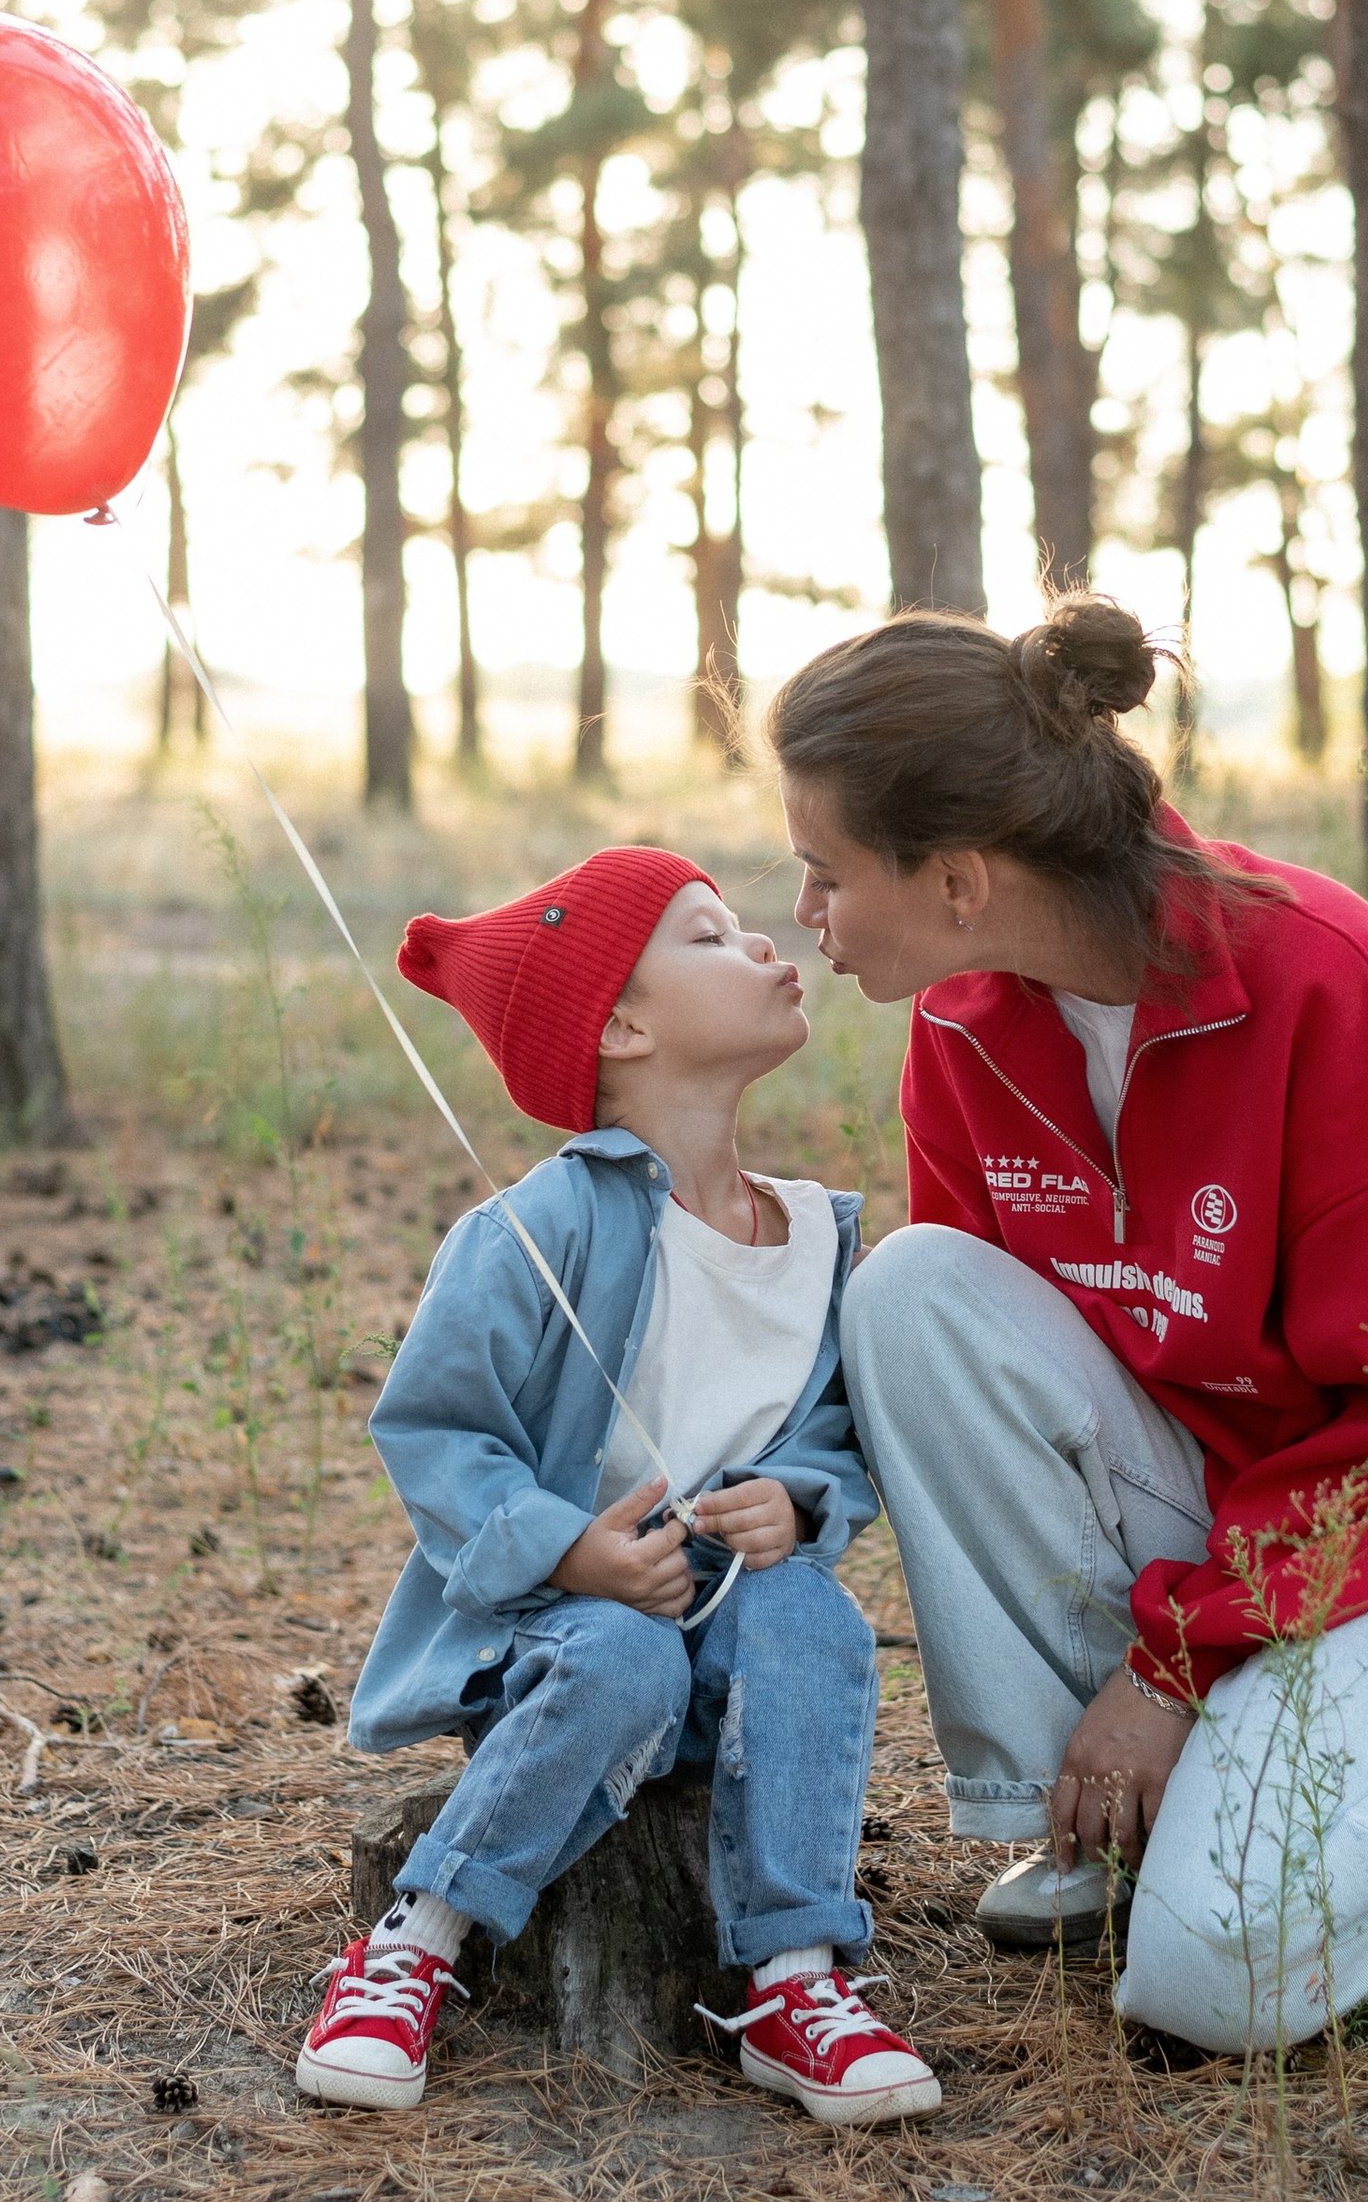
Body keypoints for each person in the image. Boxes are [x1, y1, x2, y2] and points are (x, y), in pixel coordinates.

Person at [767, 599, 1368, 2059]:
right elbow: (1001, 1382)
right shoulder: (964, 1023)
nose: (803, 915)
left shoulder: (1332, 983)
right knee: (914, 1288)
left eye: (824, 874)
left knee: (1215, 1981)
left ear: (956, 877)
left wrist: (1174, 1664)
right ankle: (1098, 1827)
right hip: (1224, 1509)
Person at [298, 845, 938, 2129]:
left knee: (809, 1609)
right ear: (626, 1024)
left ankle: (793, 1978)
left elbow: (830, 1428)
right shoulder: (537, 1232)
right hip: (562, 1641)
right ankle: (415, 1943)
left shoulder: (818, 1235)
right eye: (711, 935)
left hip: (740, 1652)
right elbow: (436, 1429)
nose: (766, 946)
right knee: (624, 1658)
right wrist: (566, 1552)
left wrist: (800, 1502)